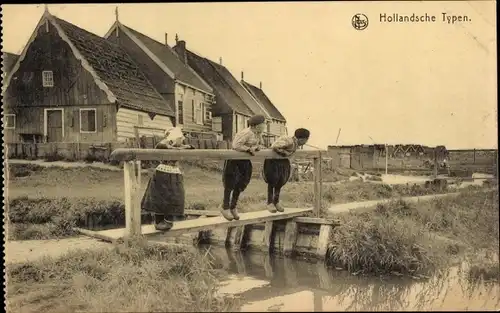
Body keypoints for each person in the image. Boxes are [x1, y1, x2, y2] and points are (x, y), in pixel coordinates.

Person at [141, 127, 195, 231]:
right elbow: (162, 147)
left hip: (174, 172)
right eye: (179, 139)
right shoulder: (163, 144)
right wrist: (179, 148)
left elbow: (191, 147)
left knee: (176, 195)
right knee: (160, 196)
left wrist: (184, 146)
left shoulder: (178, 145)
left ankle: (168, 220)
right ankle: (158, 221)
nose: (181, 141)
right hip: (162, 172)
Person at [221, 114, 266, 221]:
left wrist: (257, 147)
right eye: (263, 124)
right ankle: (225, 207)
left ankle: (233, 206)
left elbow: (259, 145)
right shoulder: (247, 133)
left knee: (242, 183)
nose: (264, 126)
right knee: (230, 183)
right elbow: (236, 145)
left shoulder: (257, 134)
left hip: (244, 160)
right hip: (234, 159)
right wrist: (248, 149)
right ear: (256, 125)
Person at [263, 128, 310, 213]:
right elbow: (274, 146)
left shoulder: (295, 144)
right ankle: (270, 203)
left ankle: (276, 202)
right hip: (273, 161)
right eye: (306, 140)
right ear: (302, 139)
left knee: (280, 181)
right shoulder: (289, 141)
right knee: (273, 181)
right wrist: (285, 153)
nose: (306, 142)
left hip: (282, 162)